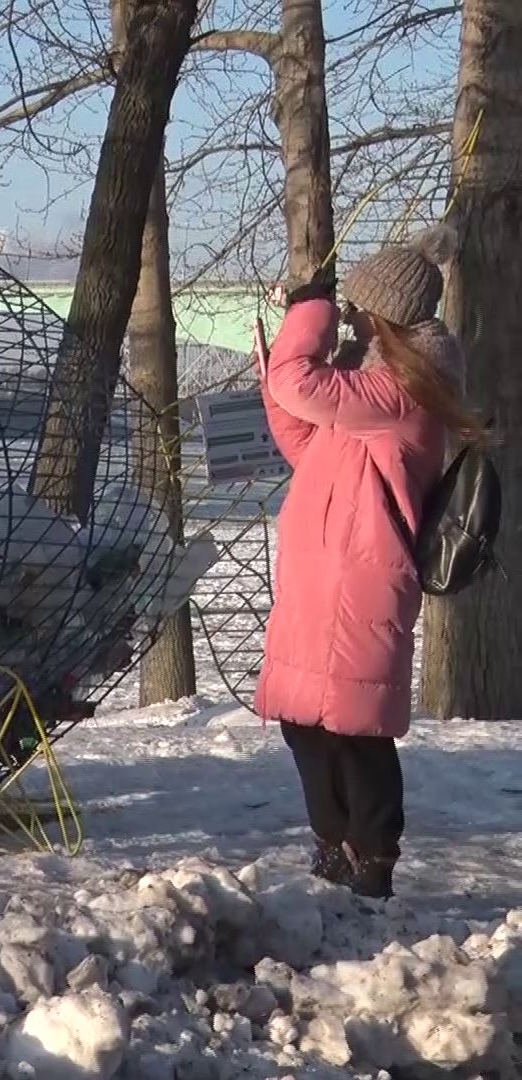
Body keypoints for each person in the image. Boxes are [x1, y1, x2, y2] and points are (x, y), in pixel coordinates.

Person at [257, 224, 472, 900]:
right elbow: (301, 432)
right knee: (305, 720)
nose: (348, 314)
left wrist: (309, 311)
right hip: (322, 576)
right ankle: (335, 843)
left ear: (385, 315)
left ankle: (371, 860)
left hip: (362, 580)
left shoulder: (402, 392)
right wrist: (288, 360)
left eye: (355, 306)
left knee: (356, 726)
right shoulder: (369, 391)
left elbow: (300, 384)